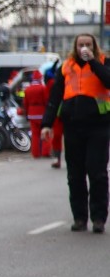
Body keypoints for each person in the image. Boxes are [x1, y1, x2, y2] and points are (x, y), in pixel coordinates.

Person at [40, 33, 110, 234]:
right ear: (75, 47)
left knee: (97, 173)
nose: (84, 48)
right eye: (81, 45)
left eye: (88, 44)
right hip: (72, 126)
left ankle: (98, 218)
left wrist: (93, 63)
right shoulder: (66, 67)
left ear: (94, 46)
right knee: (75, 175)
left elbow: (108, 81)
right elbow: (55, 97)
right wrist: (47, 124)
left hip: (98, 126)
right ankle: (79, 217)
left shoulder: (103, 62)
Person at [22, 70, 50, 159]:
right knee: (45, 133)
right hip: (42, 112)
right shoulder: (43, 88)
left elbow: (25, 103)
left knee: (35, 134)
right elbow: (46, 100)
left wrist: (26, 113)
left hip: (31, 113)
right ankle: (45, 152)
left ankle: (35, 153)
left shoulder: (27, 89)